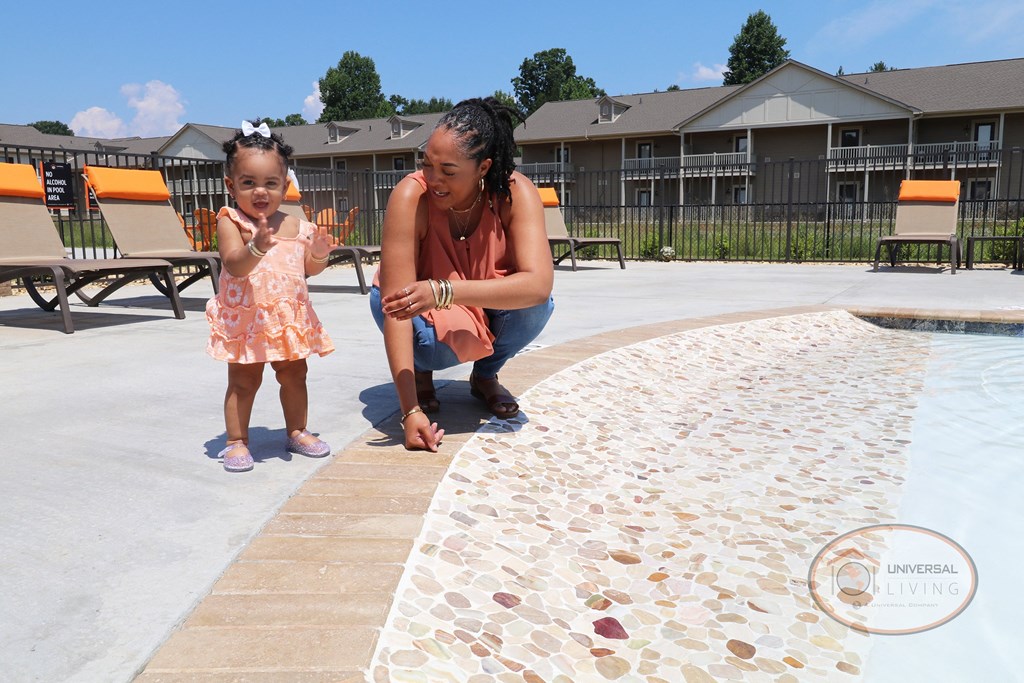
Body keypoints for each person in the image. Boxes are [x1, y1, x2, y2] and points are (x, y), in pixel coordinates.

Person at [371, 97, 555, 452]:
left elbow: (538, 285)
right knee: (432, 350)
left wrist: (444, 291)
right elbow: (396, 306)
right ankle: (420, 374)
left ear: (483, 168)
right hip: (414, 306)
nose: (433, 179)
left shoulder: (514, 193)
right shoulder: (411, 196)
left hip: (456, 299)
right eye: (427, 164)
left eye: (449, 171)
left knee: (537, 307)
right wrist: (409, 411)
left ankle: (484, 375)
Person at [207, 122, 336, 472]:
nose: (260, 191)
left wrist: (321, 253)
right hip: (247, 319)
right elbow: (235, 265)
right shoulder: (231, 220)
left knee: (295, 376)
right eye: (248, 183)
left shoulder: (298, 225)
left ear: (286, 185)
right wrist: (256, 246)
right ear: (231, 186)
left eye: (270, 183)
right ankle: (236, 440)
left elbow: (310, 268)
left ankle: (297, 430)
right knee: (243, 381)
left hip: (287, 321)